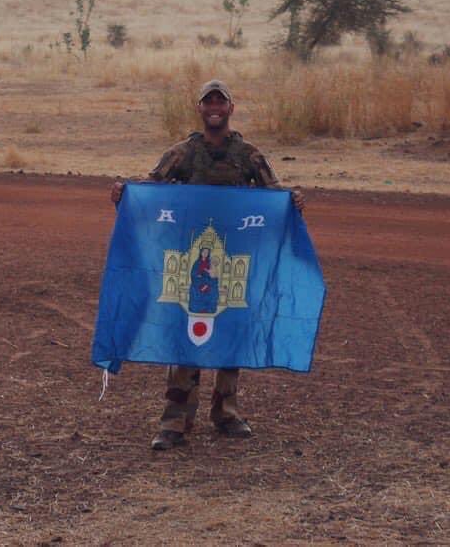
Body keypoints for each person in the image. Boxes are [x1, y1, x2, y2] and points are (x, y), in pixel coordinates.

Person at [110, 79, 305, 451]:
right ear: (200, 109)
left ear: (231, 108)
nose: (214, 106)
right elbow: (150, 188)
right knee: (186, 336)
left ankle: (226, 413)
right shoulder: (182, 154)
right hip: (191, 261)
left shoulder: (249, 156)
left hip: (234, 260)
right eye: (208, 101)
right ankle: (174, 421)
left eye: (221, 101)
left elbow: (274, 196)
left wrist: (293, 201)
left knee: (230, 332)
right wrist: (124, 193)